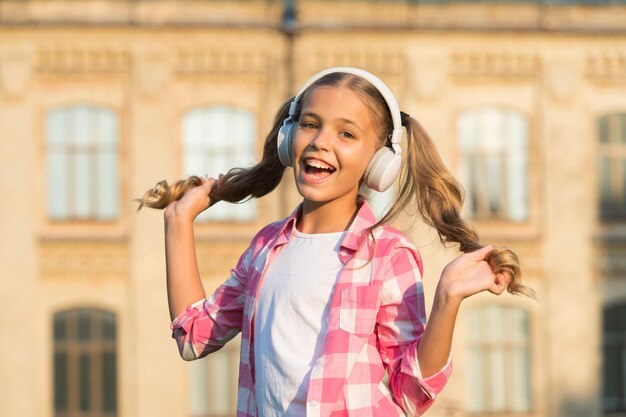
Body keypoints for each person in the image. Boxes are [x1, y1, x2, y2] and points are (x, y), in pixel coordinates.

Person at [137, 67, 534, 417]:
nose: (320, 142)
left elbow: (411, 394)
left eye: (346, 133)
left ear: (380, 163)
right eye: (310, 124)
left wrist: (447, 299)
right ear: (288, 138)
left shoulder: (388, 255)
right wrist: (179, 221)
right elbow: (193, 337)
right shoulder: (264, 249)